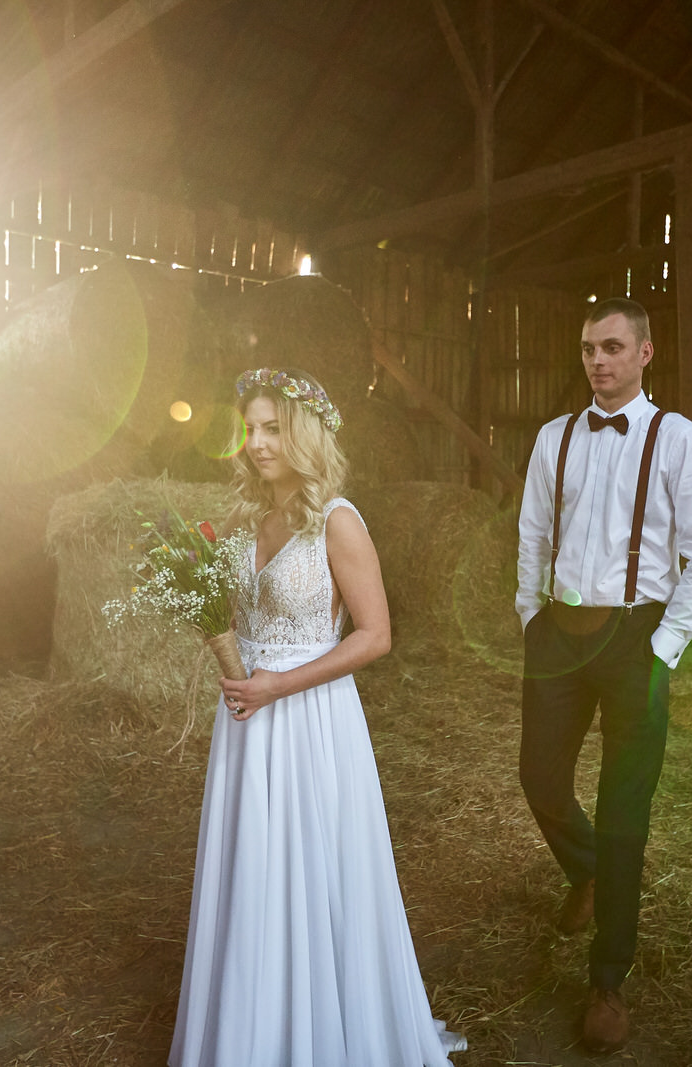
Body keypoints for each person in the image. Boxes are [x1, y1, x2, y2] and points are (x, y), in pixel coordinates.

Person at [168, 367, 465, 1067]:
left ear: (303, 434)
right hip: (246, 715)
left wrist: (282, 684)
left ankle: (320, 1025)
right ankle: (253, 1025)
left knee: (312, 865)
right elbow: (229, 608)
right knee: (253, 865)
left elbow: (376, 635)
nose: (258, 443)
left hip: (310, 718)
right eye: (250, 429)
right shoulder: (244, 518)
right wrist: (206, 618)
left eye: (273, 428)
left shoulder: (338, 520)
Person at [515, 298, 692, 1053]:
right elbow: (533, 532)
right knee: (539, 775)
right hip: (560, 631)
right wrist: (531, 616)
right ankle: (588, 871)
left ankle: (607, 978)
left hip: (638, 636)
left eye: (611, 346)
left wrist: (664, 647)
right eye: (588, 349)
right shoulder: (554, 437)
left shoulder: (680, 440)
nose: (597, 360)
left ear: (644, 352)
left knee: (624, 811)